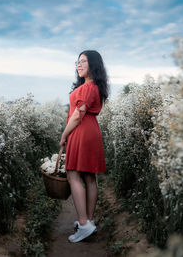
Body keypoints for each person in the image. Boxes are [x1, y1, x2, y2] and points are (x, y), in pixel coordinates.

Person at [59, 50, 109, 243]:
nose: (78, 65)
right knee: (89, 176)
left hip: (81, 130)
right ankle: (89, 221)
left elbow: (78, 115)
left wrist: (64, 135)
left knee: (72, 174)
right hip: (91, 130)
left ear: (93, 64)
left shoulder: (88, 87)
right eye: (77, 62)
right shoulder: (94, 86)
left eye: (83, 62)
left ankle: (83, 223)